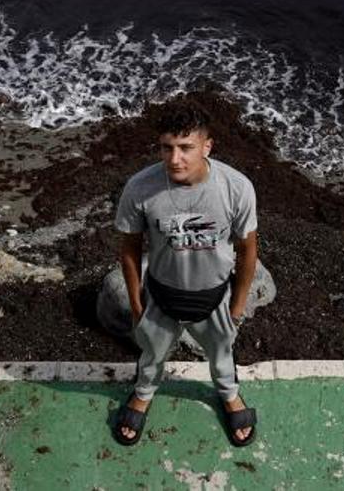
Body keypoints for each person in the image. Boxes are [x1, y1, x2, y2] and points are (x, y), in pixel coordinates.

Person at [111, 100, 259, 447]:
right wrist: (136, 305)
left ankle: (228, 393)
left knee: (222, 354)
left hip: (215, 298)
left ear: (207, 146)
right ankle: (144, 393)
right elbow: (129, 249)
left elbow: (248, 249)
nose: (174, 159)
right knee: (151, 356)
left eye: (186, 148)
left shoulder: (237, 188)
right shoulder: (139, 188)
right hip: (161, 296)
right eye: (167, 148)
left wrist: (236, 307)